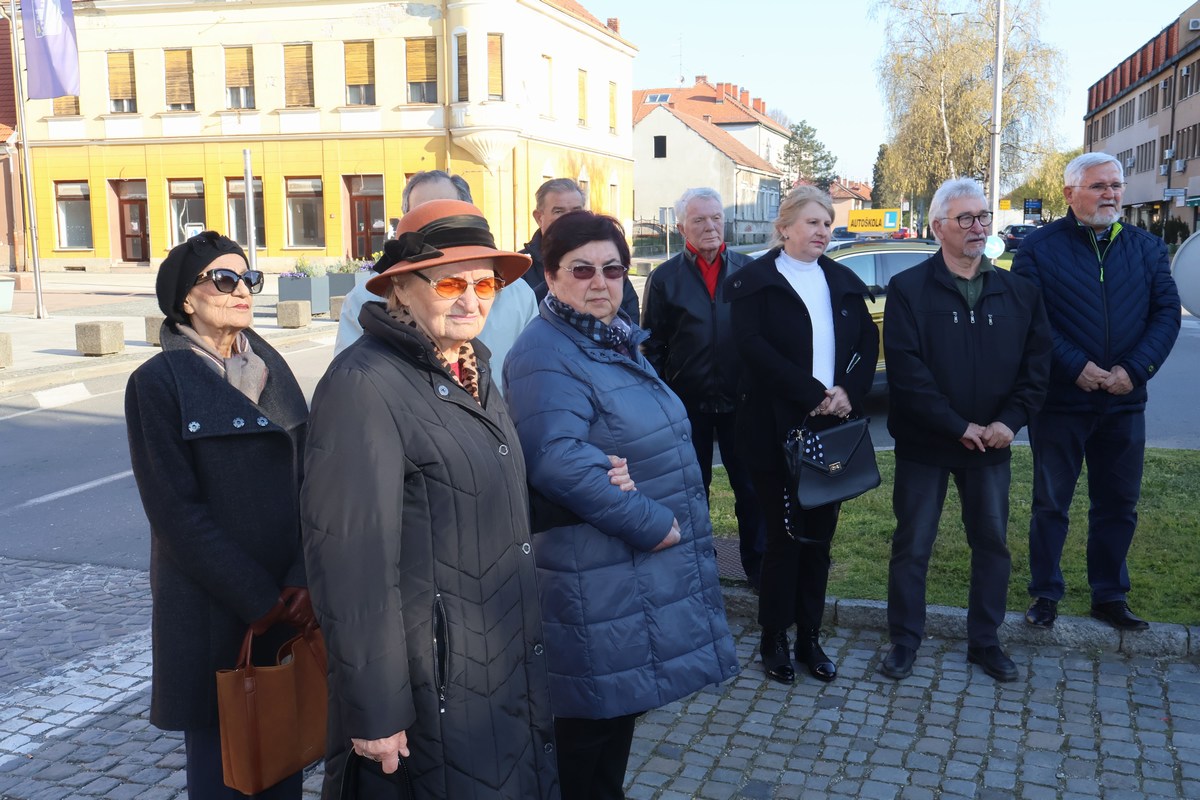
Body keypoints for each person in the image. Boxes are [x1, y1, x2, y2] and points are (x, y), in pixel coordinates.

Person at [301, 199, 564, 799]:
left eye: (486, 283)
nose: (471, 299)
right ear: (401, 290)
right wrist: (374, 711)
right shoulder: (363, 384)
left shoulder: (471, 367)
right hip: (430, 682)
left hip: (495, 655)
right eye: (450, 281)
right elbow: (350, 562)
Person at [504, 210, 739, 800]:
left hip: (618, 579)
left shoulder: (607, 339)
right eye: (580, 270)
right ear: (550, 277)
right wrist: (653, 522)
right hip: (591, 581)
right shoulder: (545, 351)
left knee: (609, 740)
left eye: (612, 269)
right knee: (584, 745)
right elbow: (557, 459)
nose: (599, 282)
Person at [126, 231, 313, 799]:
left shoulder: (273, 369)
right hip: (213, 607)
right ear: (187, 297)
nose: (242, 291)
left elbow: (313, 481)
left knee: (287, 753)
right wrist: (256, 598)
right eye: (224, 279)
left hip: (289, 599)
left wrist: (302, 576)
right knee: (226, 769)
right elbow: (173, 512)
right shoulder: (158, 383)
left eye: (249, 279)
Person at [880, 178, 1051, 683]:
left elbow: (1035, 370)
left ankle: (985, 640)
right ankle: (904, 641)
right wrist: (958, 426)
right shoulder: (908, 289)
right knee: (913, 544)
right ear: (938, 227)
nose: (978, 228)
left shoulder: (1019, 291)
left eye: (983, 217)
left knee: (992, 543)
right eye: (966, 219)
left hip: (992, 444)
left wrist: (1008, 423)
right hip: (925, 445)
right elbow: (908, 374)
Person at [1014, 152, 1181, 632]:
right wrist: (1075, 367)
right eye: (1099, 186)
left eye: (1116, 185)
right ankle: (1045, 594)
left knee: (1118, 504)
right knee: (1051, 504)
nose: (1111, 194)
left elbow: (1166, 314)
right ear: (1069, 193)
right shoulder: (1038, 249)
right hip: (1062, 402)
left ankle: (1109, 594)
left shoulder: (1148, 249)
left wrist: (1136, 368)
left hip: (1125, 401)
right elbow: (1033, 320)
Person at [725, 186, 878, 685]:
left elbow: (866, 343)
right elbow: (751, 348)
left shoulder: (842, 281)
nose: (823, 232)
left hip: (831, 426)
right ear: (784, 227)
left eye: (828, 223)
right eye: (813, 222)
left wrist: (847, 392)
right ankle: (773, 637)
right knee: (783, 536)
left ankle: (810, 636)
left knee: (819, 539)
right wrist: (810, 391)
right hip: (774, 426)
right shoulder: (756, 282)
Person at [641, 187, 766, 590]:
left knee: (750, 487)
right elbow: (653, 344)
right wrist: (664, 398)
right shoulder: (664, 278)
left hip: (743, 403)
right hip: (687, 405)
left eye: (716, 218)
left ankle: (759, 567)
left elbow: (764, 337)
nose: (710, 226)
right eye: (700, 220)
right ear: (681, 228)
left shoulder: (749, 271)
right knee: (693, 489)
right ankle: (698, 566)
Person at [334, 170, 538, 390]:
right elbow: (351, 382)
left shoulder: (518, 293)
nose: (470, 303)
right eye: (448, 285)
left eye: (485, 285)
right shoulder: (365, 297)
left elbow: (534, 375)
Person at [520, 178, 639, 320]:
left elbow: (630, 322)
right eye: (559, 211)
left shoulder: (610, 266)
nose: (569, 219)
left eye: (576, 211)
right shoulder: (519, 269)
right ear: (539, 217)